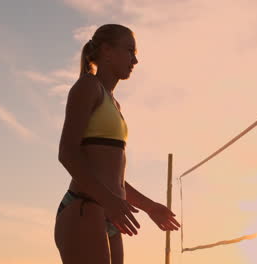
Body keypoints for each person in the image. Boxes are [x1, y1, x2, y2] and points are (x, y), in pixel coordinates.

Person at [54, 24, 180, 264]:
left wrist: (150, 206)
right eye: (130, 51)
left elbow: (113, 177)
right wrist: (109, 200)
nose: (135, 60)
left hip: (109, 213)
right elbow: (67, 154)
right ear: (107, 51)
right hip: (85, 207)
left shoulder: (114, 104)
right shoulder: (87, 87)